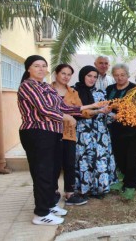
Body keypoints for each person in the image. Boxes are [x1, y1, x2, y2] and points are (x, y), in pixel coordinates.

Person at [17, 55, 102, 225]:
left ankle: (49, 204)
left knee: (51, 171)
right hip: (37, 133)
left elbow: (62, 106)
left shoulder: (44, 86)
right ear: (28, 69)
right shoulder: (28, 86)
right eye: (36, 66)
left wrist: (91, 106)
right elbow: (45, 109)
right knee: (42, 173)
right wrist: (66, 118)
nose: (41, 69)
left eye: (43, 65)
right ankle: (41, 214)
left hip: (52, 133)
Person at [74, 65, 117, 199]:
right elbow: (76, 111)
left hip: (100, 132)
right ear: (82, 76)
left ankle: (100, 189)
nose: (92, 79)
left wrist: (113, 115)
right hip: (83, 133)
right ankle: (85, 189)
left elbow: (105, 113)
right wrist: (98, 111)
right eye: (89, 76)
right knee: (85, 160)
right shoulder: (74, 92)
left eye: (95, 77)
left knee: (100, 159)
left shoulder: (100, 93)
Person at [51, 64, 89, 206]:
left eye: (69, 74)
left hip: (69, 133)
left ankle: (69, 193)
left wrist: (97, 110)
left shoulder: (73, 92)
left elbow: (79, 110)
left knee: (69, 163)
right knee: (53, 164)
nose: (66, 77)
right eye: (63, 73)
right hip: (51, 132)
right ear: (56, 74)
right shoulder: (47, 90)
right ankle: (53, 192)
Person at [106, 64, 136, 200]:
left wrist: (123, 114)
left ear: (127, 75)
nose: (119, 77)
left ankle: (131, 185)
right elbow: (106, 105)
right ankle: (121, 181)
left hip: (132, 130)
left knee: (131, 159)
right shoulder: (109, 89)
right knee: (118, 156)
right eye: (116, 75)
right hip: (114, 129)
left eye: (122, 74)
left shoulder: (135, 89)